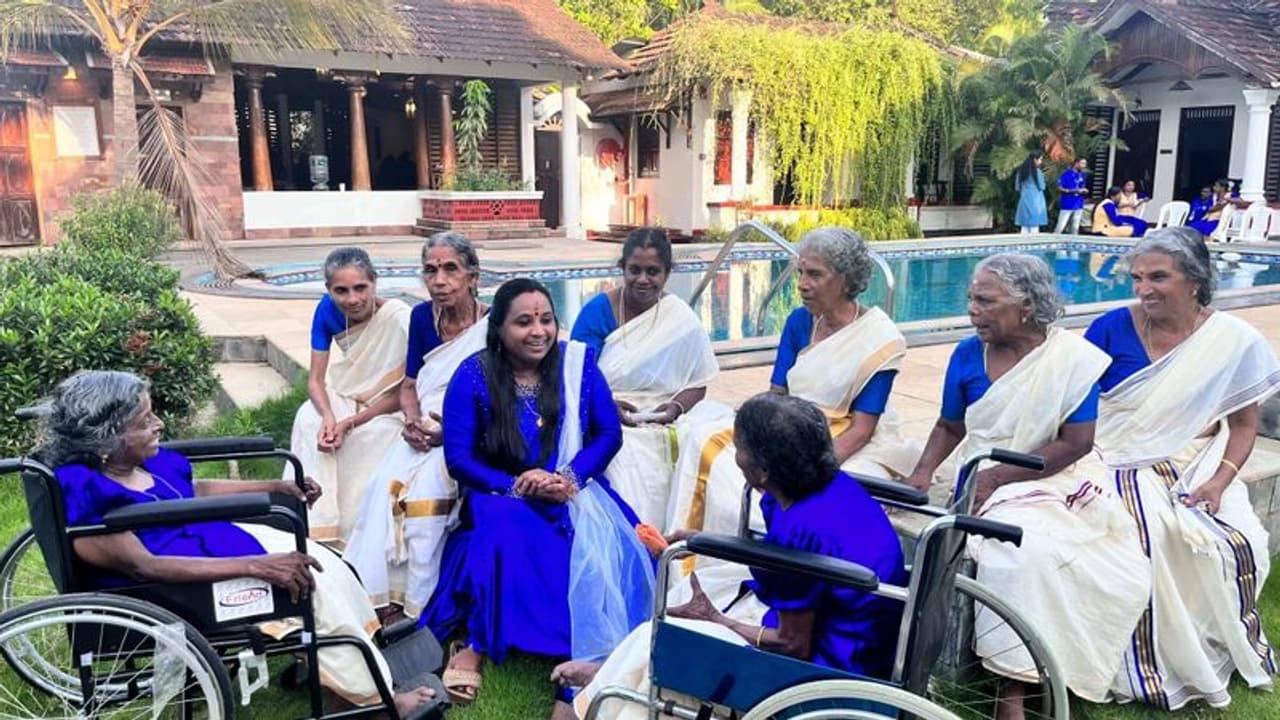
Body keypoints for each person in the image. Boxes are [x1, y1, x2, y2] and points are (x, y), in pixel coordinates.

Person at [38, 370, 436, 715]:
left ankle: (343, 671)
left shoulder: (132, 464)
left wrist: (275, 486)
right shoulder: (88, 495)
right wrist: (257, 566)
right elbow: (146, 566)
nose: (158, 424)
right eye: (144, 421)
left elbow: (191, 490)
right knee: (313, 591)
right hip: (186, 586)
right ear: (104, 441)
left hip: (214, 542)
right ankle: (369, 703)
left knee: (329, 565)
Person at [560, 393, 909, 720]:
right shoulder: (823, 485)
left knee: (671, 637)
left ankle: (604, 691)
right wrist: (702, 539)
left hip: (832, 665)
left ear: (763, 470)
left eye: (739, 446)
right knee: (692, 589)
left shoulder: (800, 528)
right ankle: (615, 672)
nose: (734, 454)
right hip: (858, 627)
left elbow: (792, 645)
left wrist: (717, 620)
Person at [905, 254, 1149, 719]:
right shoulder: (966, 355)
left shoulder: (1072, 359)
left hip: (1054, 472)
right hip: (984, 470)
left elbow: (1076, 442)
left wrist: (999, 477)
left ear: (1026, 306)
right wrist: (922, 473)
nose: (972, 310)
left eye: (985, 300)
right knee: (1018, 552)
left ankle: (1024, 680)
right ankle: (1012, 685)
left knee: (1091, 561)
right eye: (971, 298)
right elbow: (950, 426)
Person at [422, 278, 654, 707]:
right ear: (499, 328)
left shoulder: (577, 365)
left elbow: (608, 433)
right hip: (499, 493)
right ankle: (486, 642)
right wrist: (516, 484)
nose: (538, 331)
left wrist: (569, 478)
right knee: (506, 532)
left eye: (546, 320)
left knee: (605, 542)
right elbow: (459, 458)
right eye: (524, 322)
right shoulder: (473, 374)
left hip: (571, 488)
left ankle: (580, 652)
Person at [1084, 227, 1279, 710]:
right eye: (1137, 278)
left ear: (1195, 280)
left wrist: (1219, 482)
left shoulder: (1234, 341)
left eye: (1158, 277)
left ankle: (1202, 646)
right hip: (1113, 457)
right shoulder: (1109, 328)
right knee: (1147, 533)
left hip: (1197, 463)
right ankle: (1137, 662)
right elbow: (1076, 408)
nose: (1143, 289)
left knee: (1239, 541)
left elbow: (1243, 426)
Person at [668, 226, 915, 544]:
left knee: (814, 493)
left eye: (815, 274)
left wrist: (804, 474)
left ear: (845, 279)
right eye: (800, 272)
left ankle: (757, 549)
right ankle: (697, 550)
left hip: (839, 437)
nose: (802, 284)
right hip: (787, 425)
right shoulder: (799, 321)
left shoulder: (880, 338)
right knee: (704, 441)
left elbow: (861, 430)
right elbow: (778, 395)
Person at [343, 232, 487, 620]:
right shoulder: (423, 318)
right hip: (423, 425)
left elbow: (501, 396)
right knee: (382, 488)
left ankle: (419, 605)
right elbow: (410, 386)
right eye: (430, 270)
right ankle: (380, 597)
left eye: (450, 269)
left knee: (427, 496)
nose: (439, 280)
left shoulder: (493, 324)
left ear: (473, 276)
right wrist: (410, 421)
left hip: (471, 430)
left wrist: (452, 432)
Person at [570, 228, 719, 528]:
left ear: (667, 273)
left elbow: (697, 382)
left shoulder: (679, 317)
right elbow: (575, 377)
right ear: (622, 269)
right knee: (622, 461)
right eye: (634, 270)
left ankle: (684, 540)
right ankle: (635, 538)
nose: (642, 279)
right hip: (604, 414)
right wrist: (607, 406)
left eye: (653, 272)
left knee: (711, 452)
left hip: (666, 418)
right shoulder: (597, 312)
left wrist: (674, 408)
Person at [288, 247, 411, 546]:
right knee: (309, 418)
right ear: (328, 289)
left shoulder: (399, 318)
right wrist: (329, 417)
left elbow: (409, 391)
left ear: (374, 283)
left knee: (374, 434)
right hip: (351, 392)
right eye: (341, 291)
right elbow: (315, 380)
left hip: (390, 404)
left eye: (360, 288)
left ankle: (356, 533)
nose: (352, 299)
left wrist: (351, 423)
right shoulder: (327, 310)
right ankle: (316, 521)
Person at [1052, 158, 1089, 234]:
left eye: (1085, 164)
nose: (1084, 166)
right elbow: (1059, 188)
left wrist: (1084, 191)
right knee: (1061, 226)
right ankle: (1053, 240)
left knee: (1075, 228)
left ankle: (1074, 241)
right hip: (1068, 204)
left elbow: (1081, 187)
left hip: (1079, 204)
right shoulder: (1066, 174)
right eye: (1082, 163)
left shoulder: (1082, 175)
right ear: (1076, 163)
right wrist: (1073, 190)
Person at [1014, 151, 1047, 235]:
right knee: (1034, 226)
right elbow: (1042, 186)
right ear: (1035, 160)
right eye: (1040, 159)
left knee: (1024, 226)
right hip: (1036, 201)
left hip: (1024, 199)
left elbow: (1017, 187)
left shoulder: (1020, 171)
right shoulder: (1037, 172)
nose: (1041, 162)